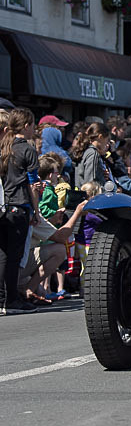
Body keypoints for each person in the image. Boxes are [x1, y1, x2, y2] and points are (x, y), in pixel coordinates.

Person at [0, 108, 40, 314]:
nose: (34, 129)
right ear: (26, 126)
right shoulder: (27, 149)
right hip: (19, 205)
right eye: (33, 125)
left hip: (2, 207)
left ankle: (2, 299)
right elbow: (33, 184)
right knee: (14, 256)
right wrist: (36, 210)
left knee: (2, 254)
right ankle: (12, 300)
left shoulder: (4, 147)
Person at [73, 122, 112, 188]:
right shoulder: (93, 153)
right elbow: (91, 182)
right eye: (107, 140)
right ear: (100, 137)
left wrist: (101, 175)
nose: (107, 144)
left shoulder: (86, 150)